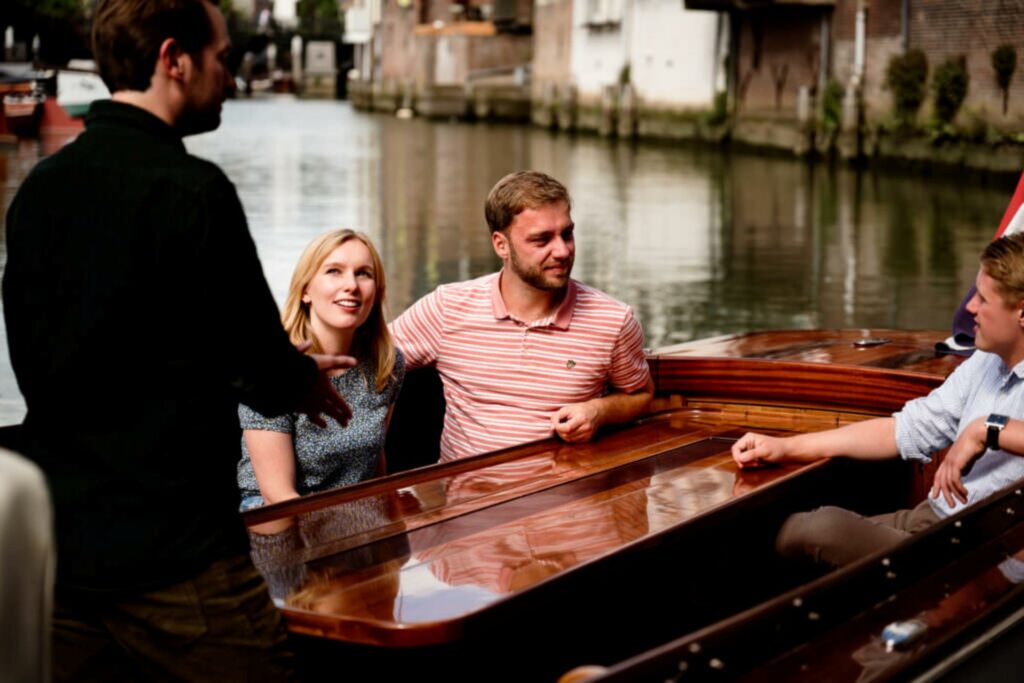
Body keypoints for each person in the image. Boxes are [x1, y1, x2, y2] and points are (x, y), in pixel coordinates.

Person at [2, 0, 354, 679]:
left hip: (62, 546)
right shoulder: (193, 191)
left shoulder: (40, 187)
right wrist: (302, 378)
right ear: (174, 59)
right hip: (174, 553)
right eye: (222, 59)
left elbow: (31, 351)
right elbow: (259, 363)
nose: (230, 77)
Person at [731, 234, 1024, 569]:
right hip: (933, 517)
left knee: (816, 529)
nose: (969, 307)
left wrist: (987, 428)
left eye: (983, 299)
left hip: (978, 549)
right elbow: (905, 429)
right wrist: (786, 447)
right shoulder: (986, 362)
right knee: (768, 535)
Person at [390, 170, 654, 462]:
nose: (562, 251)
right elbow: (372, 358)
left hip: (565, 488)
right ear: (501, 245)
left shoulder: (613, 320)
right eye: (542, 240)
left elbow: (641, 395)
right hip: (466, 490)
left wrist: (598, 411)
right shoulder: (447, 308)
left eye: (567, 234)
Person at [237, 230, 405, 510]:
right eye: (334, 271)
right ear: (305, 291)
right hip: (276, 516)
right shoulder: (275, 367)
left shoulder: (387, 364)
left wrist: (385, 520)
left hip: (354, 512)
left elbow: (375, 463)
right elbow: (278, 496)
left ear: (376, 293)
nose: (351, 285)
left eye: (363, 273)